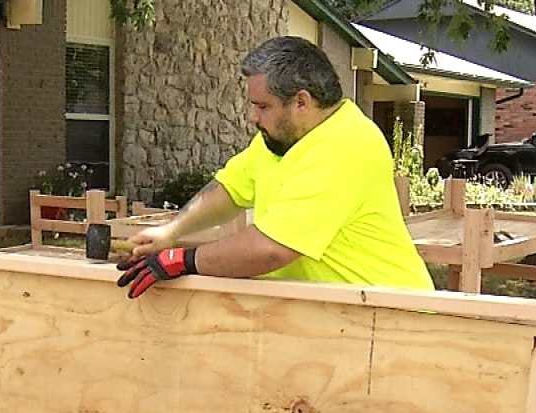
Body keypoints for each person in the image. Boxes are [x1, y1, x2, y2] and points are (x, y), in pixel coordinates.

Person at [118, 35, 433, 299]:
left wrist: (183, 260)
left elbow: (271, 249)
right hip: (338, 314)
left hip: (395, 316)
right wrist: (170, 232)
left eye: (263, 106)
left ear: (301, 102)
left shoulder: (347, 144)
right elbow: (229, 189)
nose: (253, 117)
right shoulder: (281, 140)